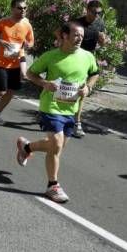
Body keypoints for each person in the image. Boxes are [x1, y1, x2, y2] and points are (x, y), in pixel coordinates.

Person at [16, 21, 99, 203]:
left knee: (56, 147)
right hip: (50, 107)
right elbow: (30, 74)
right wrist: (45, 83)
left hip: (71, 108)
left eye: (82, 36)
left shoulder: (87, 57)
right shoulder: (51, 56)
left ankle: (26, 148)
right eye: (76, 35)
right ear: (64, 35)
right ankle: (52, 186)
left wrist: (89, 88)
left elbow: (95, 73)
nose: (79, 39)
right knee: (56, 144)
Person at [70, 0, 106, 137]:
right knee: (64, 86)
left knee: (82, 91)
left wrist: (102, 40)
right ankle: (51, 114)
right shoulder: (77, 23)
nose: (97, 15)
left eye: (99, 13)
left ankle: (77, 123)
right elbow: (59, 33)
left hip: (87, 59)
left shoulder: (100, 23)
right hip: (72, 57)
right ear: (87, 10)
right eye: (94, 12)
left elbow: (102, 44)